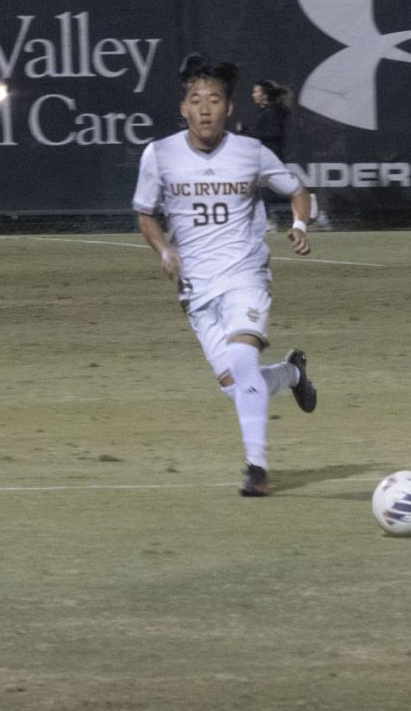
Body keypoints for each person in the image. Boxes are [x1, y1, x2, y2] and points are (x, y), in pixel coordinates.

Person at [133, 54, 319, 498]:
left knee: (242, 360)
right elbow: (144, 214)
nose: (205, 108)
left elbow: (297, 191)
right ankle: (293, 374)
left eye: (214, 100)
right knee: (238, 388)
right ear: (183, 108)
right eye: (196, 100)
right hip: (195, 288)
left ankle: (256, 467)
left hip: (244, 275)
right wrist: (163, 249)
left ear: (229, 109)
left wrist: (299, 224)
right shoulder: (159, 155)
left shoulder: (251, 152)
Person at [241, 80, 294, 232]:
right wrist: (248, 131)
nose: (253, 95)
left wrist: (248, 132)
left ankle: (269, 221)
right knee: (257, 188)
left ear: (264, 95)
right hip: (260, 157)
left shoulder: (274, 111)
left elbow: (272, 132)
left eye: (256, 91)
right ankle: (265, 220)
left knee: (271, 188)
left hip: (270, 157)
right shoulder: (266, 111)